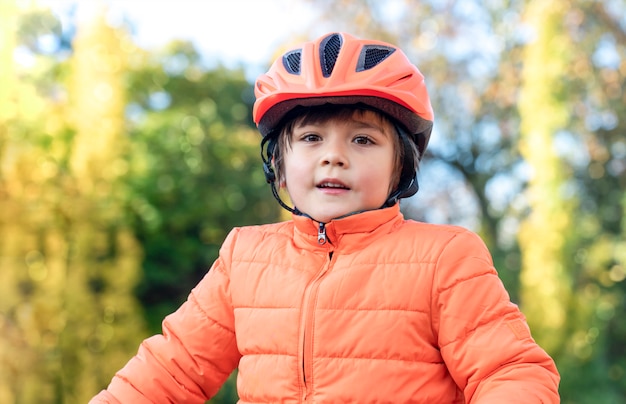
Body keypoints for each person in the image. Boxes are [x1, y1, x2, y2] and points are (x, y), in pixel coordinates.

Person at [90, 32, 560, 403]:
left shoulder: (444, 256)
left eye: (362, 140)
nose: (333, 157)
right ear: (279, 162)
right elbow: (171, 371)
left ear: (403, 164)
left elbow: (510, 371)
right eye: (312, 138)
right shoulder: (245, 257)